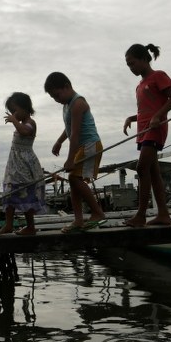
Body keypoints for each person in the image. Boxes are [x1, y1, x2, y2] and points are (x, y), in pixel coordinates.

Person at [122, 43, 171, 227]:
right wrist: (131, 118)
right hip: (144, 130)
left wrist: (157, 116)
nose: (131, 68)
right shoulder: (140, 85)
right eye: (128, 65)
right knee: (154, 173)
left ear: (144, 59)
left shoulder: (158, 76)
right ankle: (163, 214)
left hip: (155, 129)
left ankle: (140, 215)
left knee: (141, 168)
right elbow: (145, 109)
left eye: (133, 63)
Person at [44, 72, 106, 233]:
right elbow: (69, 128)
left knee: (74, 178)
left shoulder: (78, 103)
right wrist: (59, 141)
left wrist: (70, 159)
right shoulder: (67, 106)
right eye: (53, 98)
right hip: (81, 146)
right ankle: (78, 219)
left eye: (57, 95)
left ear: (66, 86)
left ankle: (97, 212)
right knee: (73, 180)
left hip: (90, 144)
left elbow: (75, 133)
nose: (57, 100)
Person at [0, 92, 48, 236]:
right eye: (11, 112)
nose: (13, 114)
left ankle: (30, 226)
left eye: (15, 110)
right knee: (9, 192)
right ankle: (8, 224)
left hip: (24, 165)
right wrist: (15, 120)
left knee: (26, 193)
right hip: (14, 165)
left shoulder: (30, 123)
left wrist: (14, 121)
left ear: (25, 108)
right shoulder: (21, 124)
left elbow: (25, 131)